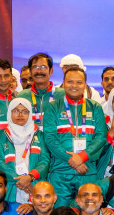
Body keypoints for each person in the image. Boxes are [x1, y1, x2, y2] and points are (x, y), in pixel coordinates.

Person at [42, 66, 109, 206]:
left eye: (79, 82)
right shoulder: (53, 107)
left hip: (87, 170)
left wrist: (82, 156)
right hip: (60, 171)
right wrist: (72, 159)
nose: (74, 86)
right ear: (63, 83)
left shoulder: (95, 107)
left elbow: (101, 137)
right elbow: (50, 139)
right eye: (70, 82)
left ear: (85, 84)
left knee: (88, 213)